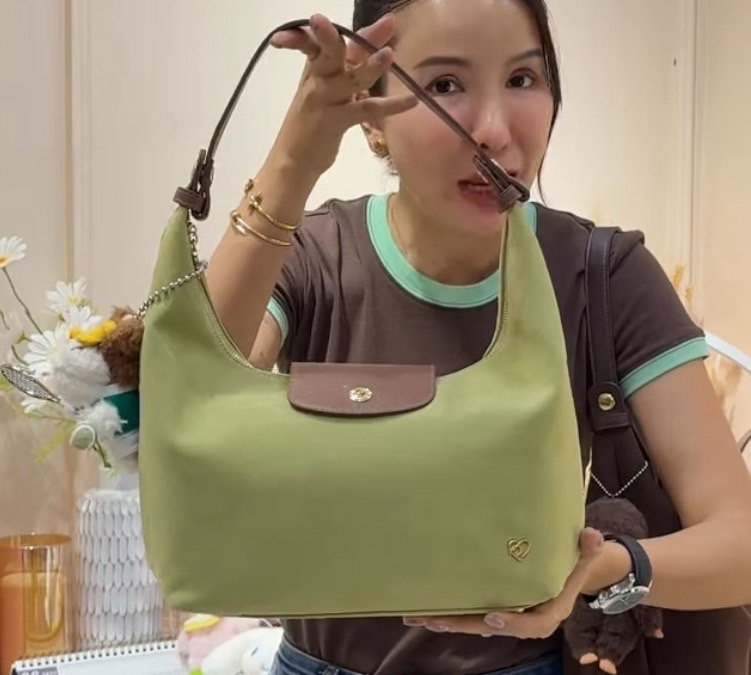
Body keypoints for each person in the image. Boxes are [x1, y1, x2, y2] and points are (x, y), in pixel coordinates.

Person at [205, 1, 751, 674]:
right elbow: (202, 384)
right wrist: (293, 162)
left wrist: (604, 569)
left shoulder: (600, 275)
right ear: (370, 118)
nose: (494, 130)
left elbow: (739, 545)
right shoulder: (315, 255)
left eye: (522, 79)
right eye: (443, 84)